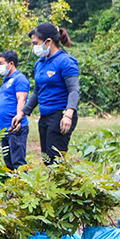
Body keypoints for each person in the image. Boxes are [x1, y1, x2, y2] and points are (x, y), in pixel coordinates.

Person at [11, 23, 78, 164]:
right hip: (45, 116)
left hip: (60, 115)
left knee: (55, 161)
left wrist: (68, 114)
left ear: (48, 42)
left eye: (35, 43)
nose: (34, 47)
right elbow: (37, 92)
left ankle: (62, 179)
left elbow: (73, 90)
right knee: (47, 160)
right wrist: (23, 113)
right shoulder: (40, 63)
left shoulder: (65, 61)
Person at [0, 51, 30, 170]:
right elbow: (3, 104)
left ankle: (22, 181)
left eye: (1, 63)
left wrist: (18, 119)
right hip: (4, 128)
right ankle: (12, 182)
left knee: (18, 162)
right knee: (8, 162)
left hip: (15, 127)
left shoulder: (20, 79)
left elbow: (21, 100)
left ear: (11, 63)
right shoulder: (6, 81)